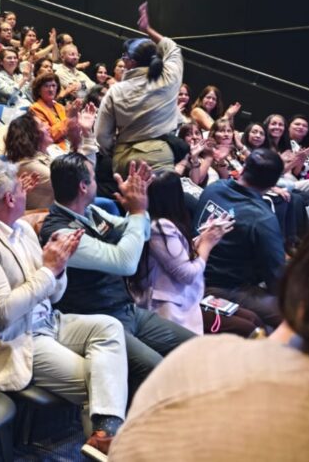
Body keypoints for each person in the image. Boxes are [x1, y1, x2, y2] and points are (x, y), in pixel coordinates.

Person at [110, 47, 309, 462]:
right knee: (264, 314)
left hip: (209, 295)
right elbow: (267, 278)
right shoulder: (254, 219)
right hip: (207, 289)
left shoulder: (213, 190)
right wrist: (207, 247)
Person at [0, 163, 128, 458]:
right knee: (99, 382)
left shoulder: (21, 228)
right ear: (10, 199)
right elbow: (4, 312)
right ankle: (107, 444)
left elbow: (55, 294)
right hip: (15, 337)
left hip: (47, 320)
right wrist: (50, 269)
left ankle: (104, 437)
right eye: (22, 189)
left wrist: (58, 270)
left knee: (110, 327)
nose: (28, 194)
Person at [40, 155, 196, 394]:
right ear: (83, 186)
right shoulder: (61, 233)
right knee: (156, 370)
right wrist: (137, 211)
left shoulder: (90, 212)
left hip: (126, 309)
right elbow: (125, 262)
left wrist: (137, 210)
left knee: (195, 347)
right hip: (99, 321)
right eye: (93, 178)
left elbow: (137, 234)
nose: (97, 183)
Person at [129, 171, 266, 337]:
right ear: (175, 196)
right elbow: (187, 274)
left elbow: (176, 256)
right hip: (171, 307)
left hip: (186, 299)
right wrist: (207, 243)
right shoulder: (159, 226)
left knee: (252, 318)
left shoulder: (159, 221)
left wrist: (204, 236)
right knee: (249, 328)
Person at [192, 148, 286, 329]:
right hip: (223, 287)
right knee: (296, 314)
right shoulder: (262, 218)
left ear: (243, 169)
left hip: (193, 273)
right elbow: (276, 276)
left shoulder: (214, 188)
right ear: (273, 183)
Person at [95, 4, 184, 175]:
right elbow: (172, 48)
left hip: (126, 161)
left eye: (124, 57)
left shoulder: (116, 91)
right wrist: (148, 29)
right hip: (161, 158)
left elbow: (102, 136)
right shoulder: (171, 76)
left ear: (131, 63)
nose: (122, 59)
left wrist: (114, 151)